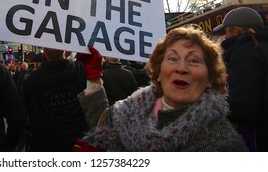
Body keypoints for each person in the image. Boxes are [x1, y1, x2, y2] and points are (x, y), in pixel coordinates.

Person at [75, 26, 248, 151]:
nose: (181, 68)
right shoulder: (131, 108)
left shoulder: (224, 145)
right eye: (172, 58)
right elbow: (102, 122)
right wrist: (93, 77)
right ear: (158, 72)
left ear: (210, 78)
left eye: (194, 60)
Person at [213, 7, 268, 151]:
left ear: (236, 31)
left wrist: (211, 102)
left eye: (226, 31)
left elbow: (243, 109)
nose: (225, 37)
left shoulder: (244, 53)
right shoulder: (261, 47)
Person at [21, 47, 89, 151]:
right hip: (81, 144)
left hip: (46, 146)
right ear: (66, 52)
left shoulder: (31, 81)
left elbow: (25, 114)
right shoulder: (81, 71)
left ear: (44, 55)